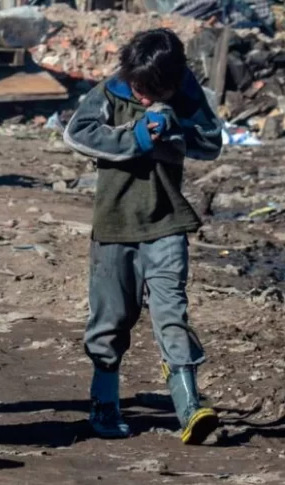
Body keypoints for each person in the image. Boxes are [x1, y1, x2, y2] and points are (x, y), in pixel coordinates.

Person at [63, 28, 223, 445]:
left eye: (157, 92)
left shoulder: (186, 94)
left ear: (174, 79)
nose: (147, 99)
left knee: (172, 315)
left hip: (167, 223)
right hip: (115, 224)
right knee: (110, 319)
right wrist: (134, 136)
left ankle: (189, 408)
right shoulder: (111, 91)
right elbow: (77, 133)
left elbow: (210, 142)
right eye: (141, 90)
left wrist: (175, 130)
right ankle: (105, 402)